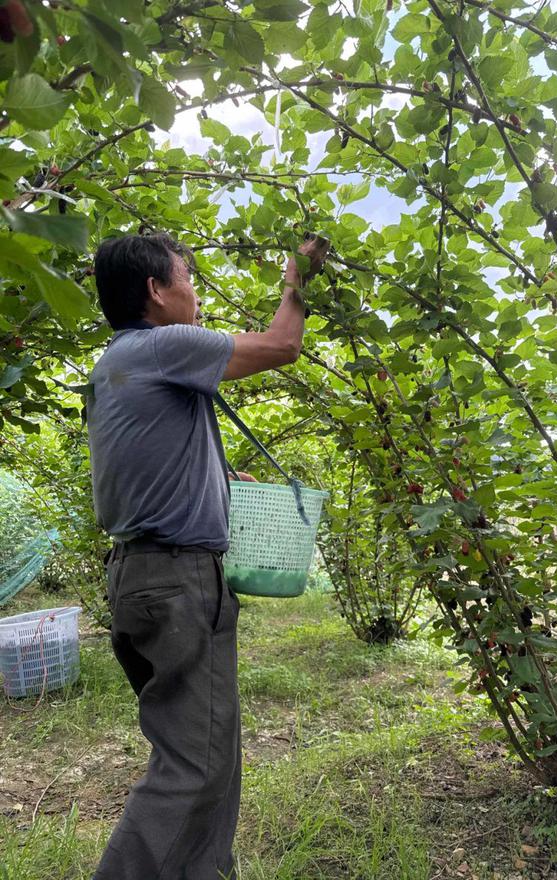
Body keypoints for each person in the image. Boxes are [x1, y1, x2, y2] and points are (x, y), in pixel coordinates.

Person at [86, 230, 330, 880]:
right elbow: (283, 344)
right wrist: (298, 277)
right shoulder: (166, 345)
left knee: (208, 752)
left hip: (137, 579)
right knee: (195, 765)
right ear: (155, 291)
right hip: (179, 582)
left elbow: (147, 461)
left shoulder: (113, 363)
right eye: (186, 276)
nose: (195, 291)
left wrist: (220, 482)